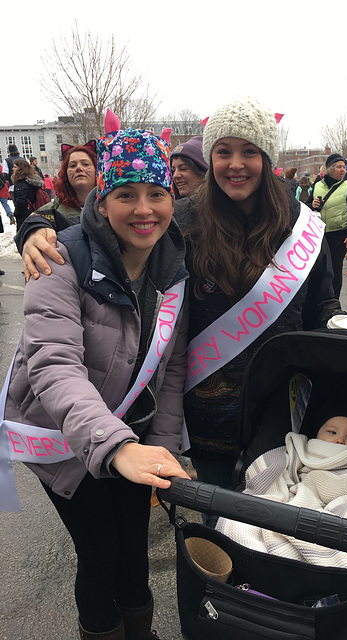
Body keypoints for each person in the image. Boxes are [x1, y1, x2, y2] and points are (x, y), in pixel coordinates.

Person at [17, 96, 347, 493]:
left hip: (279, 406)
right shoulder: (181, 219)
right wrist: (34, 228)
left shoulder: (302, 226)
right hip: (203, 414)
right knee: (212, 530)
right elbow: (104, 240)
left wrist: (339, 321)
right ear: (210, 158)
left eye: (250, 151)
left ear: (267, 156)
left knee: (273, 518)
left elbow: (321, 302)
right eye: (223, 151)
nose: (236, 163)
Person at [3, 113, 190, 640]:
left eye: (156, 192)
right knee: (101, 549)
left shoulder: (173, 268)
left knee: (133, 544)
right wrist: (115, 448)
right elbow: (54, 366)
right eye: (126, 193)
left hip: (129, 430)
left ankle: (141, 630)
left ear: (172, 199)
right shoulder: (59, 260)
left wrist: (163, 445)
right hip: (59, 435)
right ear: (101, 201)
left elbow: (172, 369)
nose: (144, 208)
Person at [215, 403, 347, 572]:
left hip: (339, 513)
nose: (340, 440)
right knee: (239, 522)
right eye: (332, 432)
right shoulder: (302, 452)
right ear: (316, 433)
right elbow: (278, 473)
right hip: (295, 504)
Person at [15, 143, 97, 280]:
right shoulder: (52, 209)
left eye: (85, 164)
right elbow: (29, 225)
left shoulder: (112, 207)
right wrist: (30, 235)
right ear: (66, 174)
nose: (78, 168)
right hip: (64, 282)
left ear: (98, 170)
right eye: (72, 165)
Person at [311, 153, 347, 297]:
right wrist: (311, 204)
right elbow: (307, 207)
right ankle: (320, 299)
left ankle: (334, 301)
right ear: (330, 168)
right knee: (320, 269)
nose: (342, 170)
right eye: (339, 167)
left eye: (344, 167)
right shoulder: (317, 185)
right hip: (320, 235)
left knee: (334, 269)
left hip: (340, 235)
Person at [11, 158, 45, 227]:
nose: (13, 169)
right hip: (33, 211)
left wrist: (16, 213)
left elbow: (21, 202)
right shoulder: (31, 180)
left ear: (21, 169)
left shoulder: (21, 184)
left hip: (25, 214)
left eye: (15, 167)